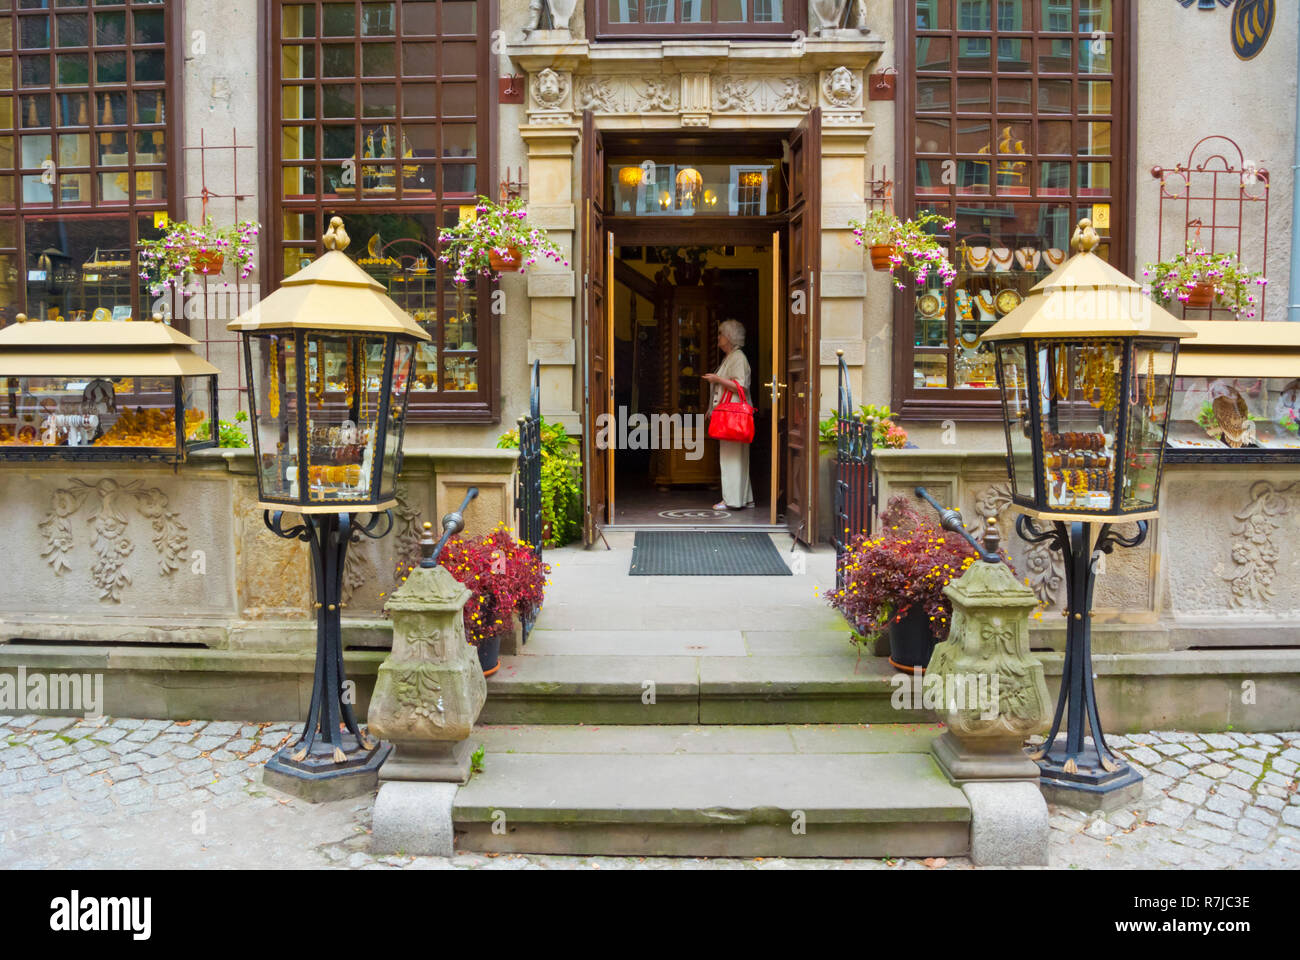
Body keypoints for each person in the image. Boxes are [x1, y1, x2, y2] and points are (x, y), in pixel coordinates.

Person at [702, 319, 754, 511]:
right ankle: (745, 498)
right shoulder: (732, 356)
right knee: (737, 457)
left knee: (731, 457)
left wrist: (717, 379)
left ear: (730, 337)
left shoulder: (737, 358)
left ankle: (731, 499)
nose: (718, 337)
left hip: (733, 416)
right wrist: (711, 408)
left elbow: (741, 386)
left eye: (721, 334)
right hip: (731, 414)